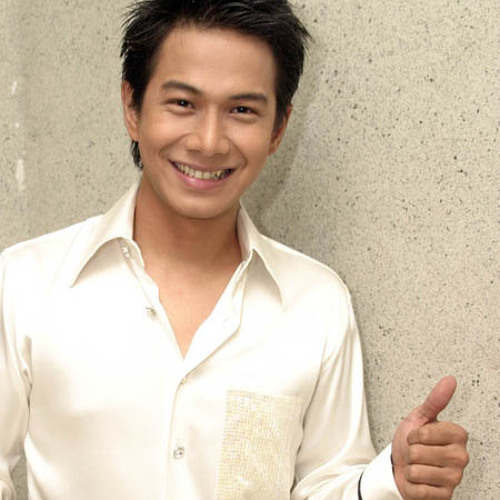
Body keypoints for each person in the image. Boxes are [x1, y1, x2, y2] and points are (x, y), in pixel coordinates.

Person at [0, 1, 468, 499]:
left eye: (242, 110)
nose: (209, 142)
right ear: (132, 108)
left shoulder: (317, 304)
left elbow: (326, 483)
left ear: (278, 128)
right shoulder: (26, 284)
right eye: (183, 103)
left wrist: (389, 482)